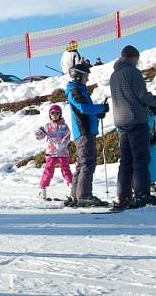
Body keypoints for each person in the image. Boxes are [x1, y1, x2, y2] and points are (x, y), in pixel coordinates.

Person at [109, 45, 156, 209]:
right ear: (133, 57)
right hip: (136, 119)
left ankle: (123, 195)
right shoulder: (132, 72)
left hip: (121, 120)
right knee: (141, 158)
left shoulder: (114, 75)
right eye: (137, 60)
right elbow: (142, 96)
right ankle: (142, 193)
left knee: (125, 160)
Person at [65, 62, 109, 207]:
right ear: (77, 76)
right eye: (85, 76)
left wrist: (98, 113)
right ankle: (84, 195)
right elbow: (83, 108)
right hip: (84, 132)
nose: (87, 79)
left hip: (84, 131)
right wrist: (101, 108)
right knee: (87, 163)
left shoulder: (79, 90)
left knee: (82, 164)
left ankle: (76, 195)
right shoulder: (75, 91)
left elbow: (85, 111)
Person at [34, 104, 73, 200]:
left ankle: (72, 188)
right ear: (49, 114)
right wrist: (38, 133)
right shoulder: (47, 126)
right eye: (52, 113)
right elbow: (39, 137)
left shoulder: (64, 126)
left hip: (62, 152)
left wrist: (62, 144)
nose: (54, 115)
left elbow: (68, 136)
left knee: (66, 170)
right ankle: (42, 189)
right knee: (48, 170)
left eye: (57, 113)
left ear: (60, 114)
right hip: (51, 152)